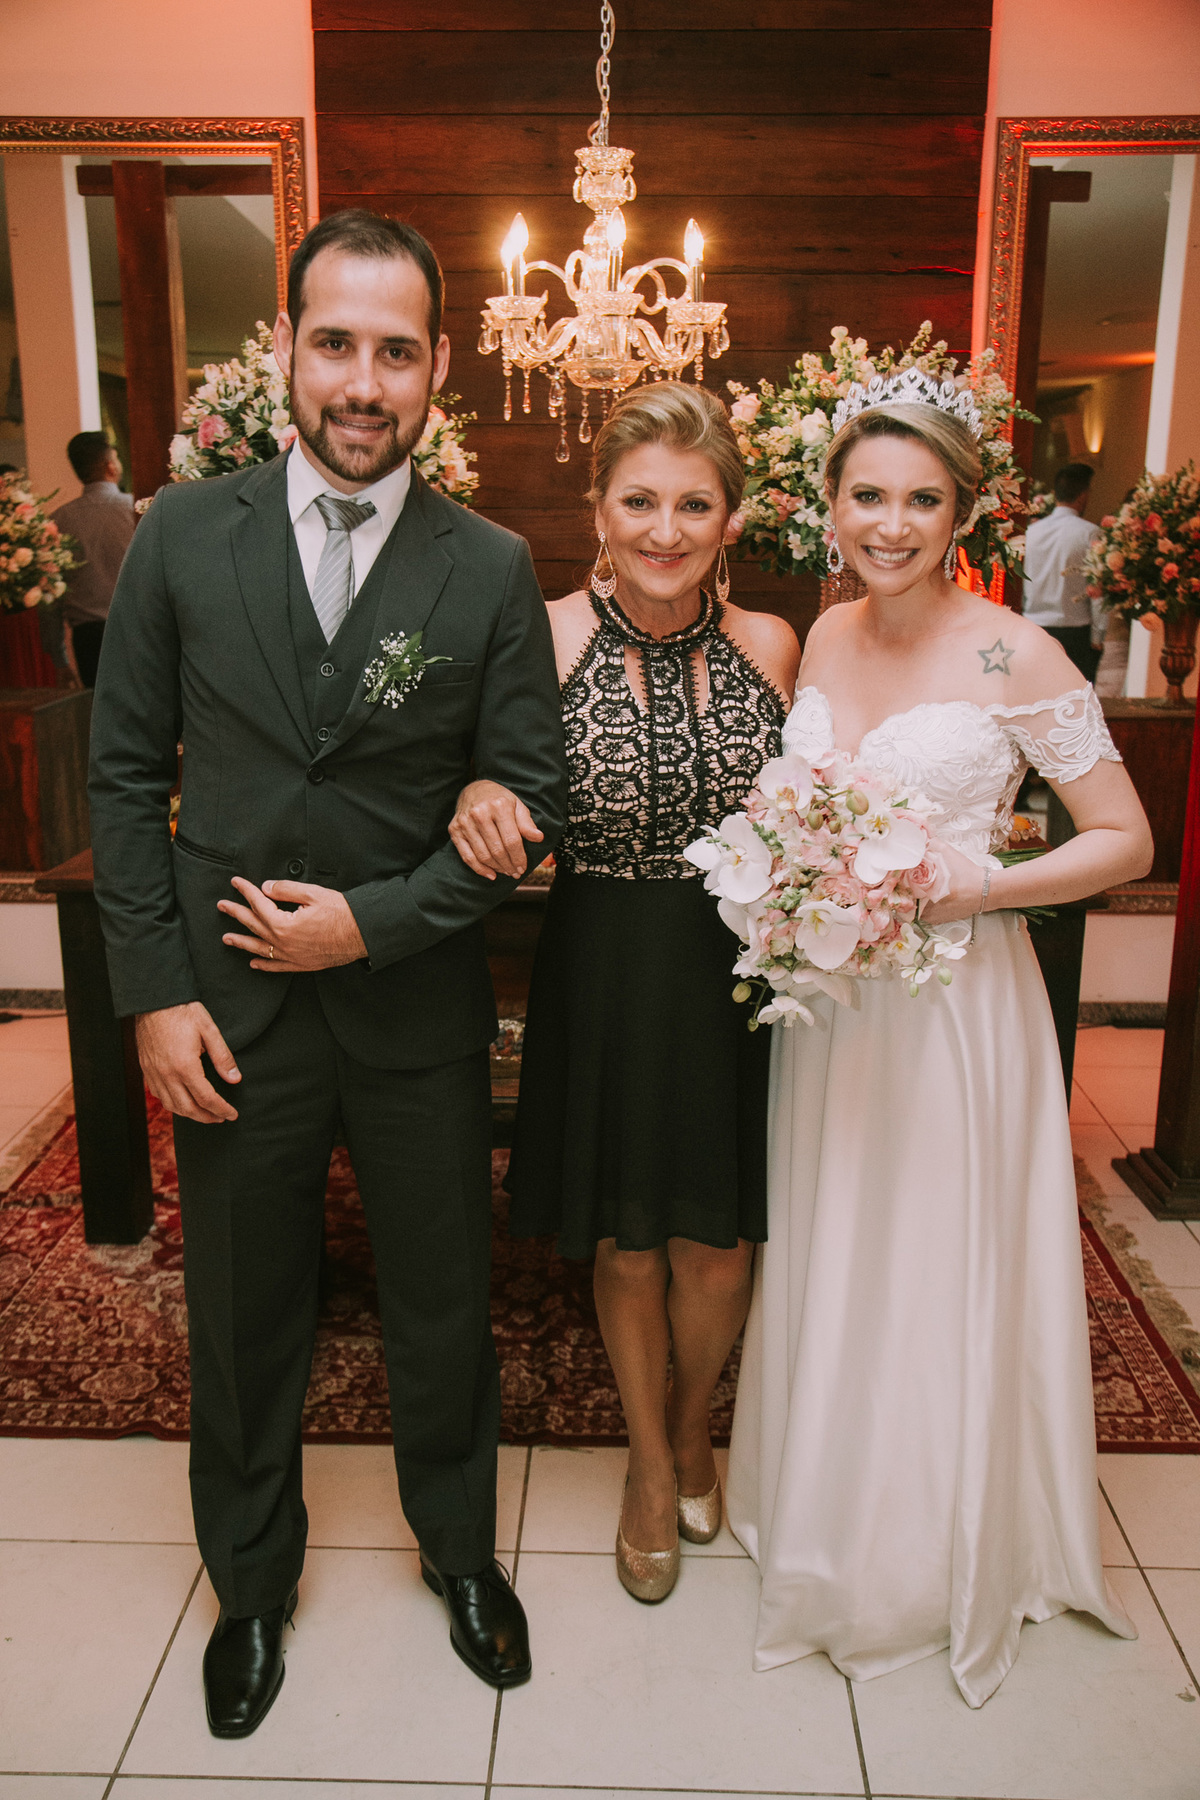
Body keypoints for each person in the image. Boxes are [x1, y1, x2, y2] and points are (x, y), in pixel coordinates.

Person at [88, 210, 567, 1737]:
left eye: (397, 351)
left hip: (414, 1006)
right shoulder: (179, 535)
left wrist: (369, 923)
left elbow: (526, 795)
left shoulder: (489, 566)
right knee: (242, 1313)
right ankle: (249, 1582)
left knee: (441, 1300)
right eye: (338, 343)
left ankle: (460, 1554)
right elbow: (121, 778)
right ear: (286, 349)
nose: (365, 381)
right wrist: (156, 995)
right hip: (225, 1011)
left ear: (440, 366)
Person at [725, 379, 1152, 1707]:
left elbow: (1125, 840)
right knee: (837, 1238)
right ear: (830, 506)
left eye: (922, 500)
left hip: (957, 1002)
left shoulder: (1015, 655)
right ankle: (823, 1509)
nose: (892, 523)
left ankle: (925, 1546)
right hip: (834, 1010)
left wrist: (982, 884)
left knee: (931, 1253)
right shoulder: (822, 634)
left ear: (965, 512)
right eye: (869, 495)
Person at [450, 384, 800, 1604]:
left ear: (731, 519)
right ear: (598, 510)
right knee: (629, 1241)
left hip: (736, 975)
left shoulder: (774, 646)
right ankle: (652, 1468)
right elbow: (480, 777)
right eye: (640, 501)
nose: (665, 529)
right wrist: (475, 794)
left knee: (721, 1247)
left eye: (693, 505)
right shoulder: (541, 637)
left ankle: (695, 1423)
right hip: (602, 961)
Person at [40, 432, 135, 687]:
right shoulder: (135, 509)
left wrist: (59, 658)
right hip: (137, 628)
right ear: (110, 466)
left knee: (100, 709)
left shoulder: (57, 521)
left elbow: (49, 597)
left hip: (89, 641)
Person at [1021, 461, 1104, 682]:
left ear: (1055, 493)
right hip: (1075, 633)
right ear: (1083, 496)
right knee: (1075, 697)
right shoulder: (1090, 533)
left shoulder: (1030, 532)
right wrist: (1098, 636)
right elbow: (1097, 589)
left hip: (1033, 626)